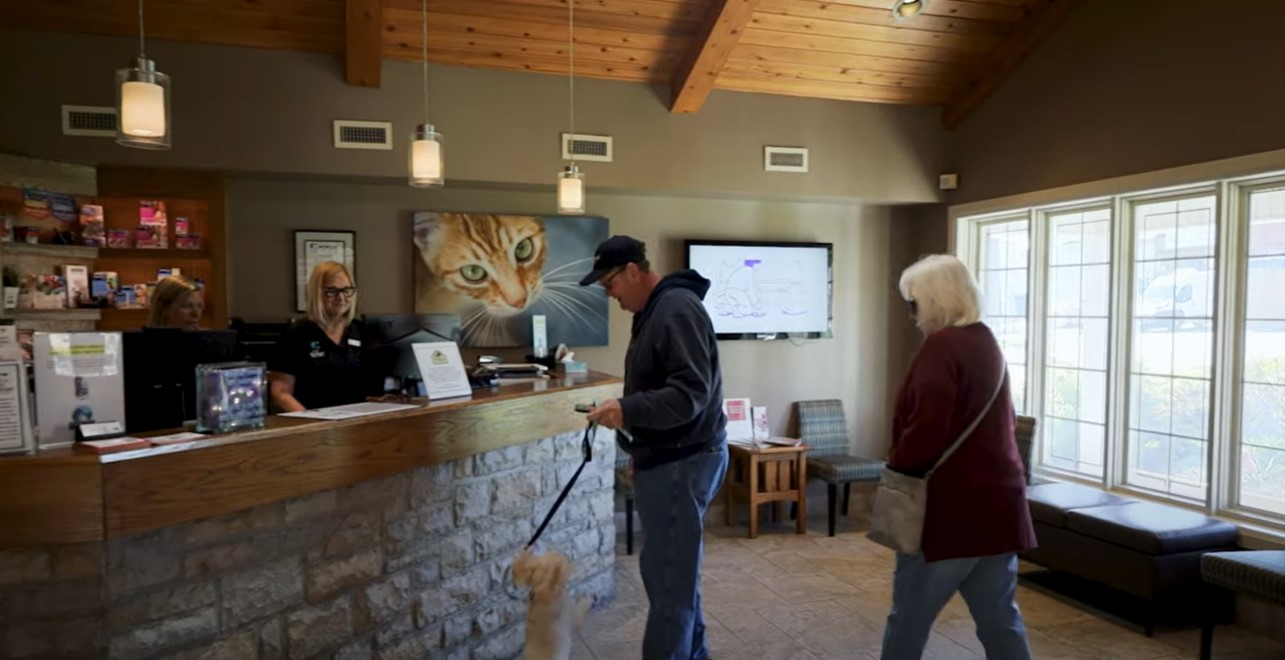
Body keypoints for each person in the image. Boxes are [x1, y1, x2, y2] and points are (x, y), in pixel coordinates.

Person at [578, 235, 728, 660]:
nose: (611, 296)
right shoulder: (656, 310)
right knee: (674, 581)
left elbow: (689, 394)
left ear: (632, 271)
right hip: (670, 459)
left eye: (610, 285)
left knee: (668, 587)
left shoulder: (675, 309)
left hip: (682, 462)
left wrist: (627, 410)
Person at [881, 254, 1036, 660]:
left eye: (913, 304)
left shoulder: (942, 346)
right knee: (1000, 618)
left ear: (934, 300)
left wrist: (897, 465)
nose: (912, 315)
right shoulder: (986, 340)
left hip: (950, 510)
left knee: (909, 618)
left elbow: (927, 427)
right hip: (999, 507)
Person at [267, 261, 363, 412]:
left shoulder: (360, 330)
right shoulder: (297, 334)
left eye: (346, 290)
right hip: (313, 424)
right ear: (317, 293)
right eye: (332, 291)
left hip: (357, 421)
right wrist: (312, 422)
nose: (341, 297)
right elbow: (280, 393)